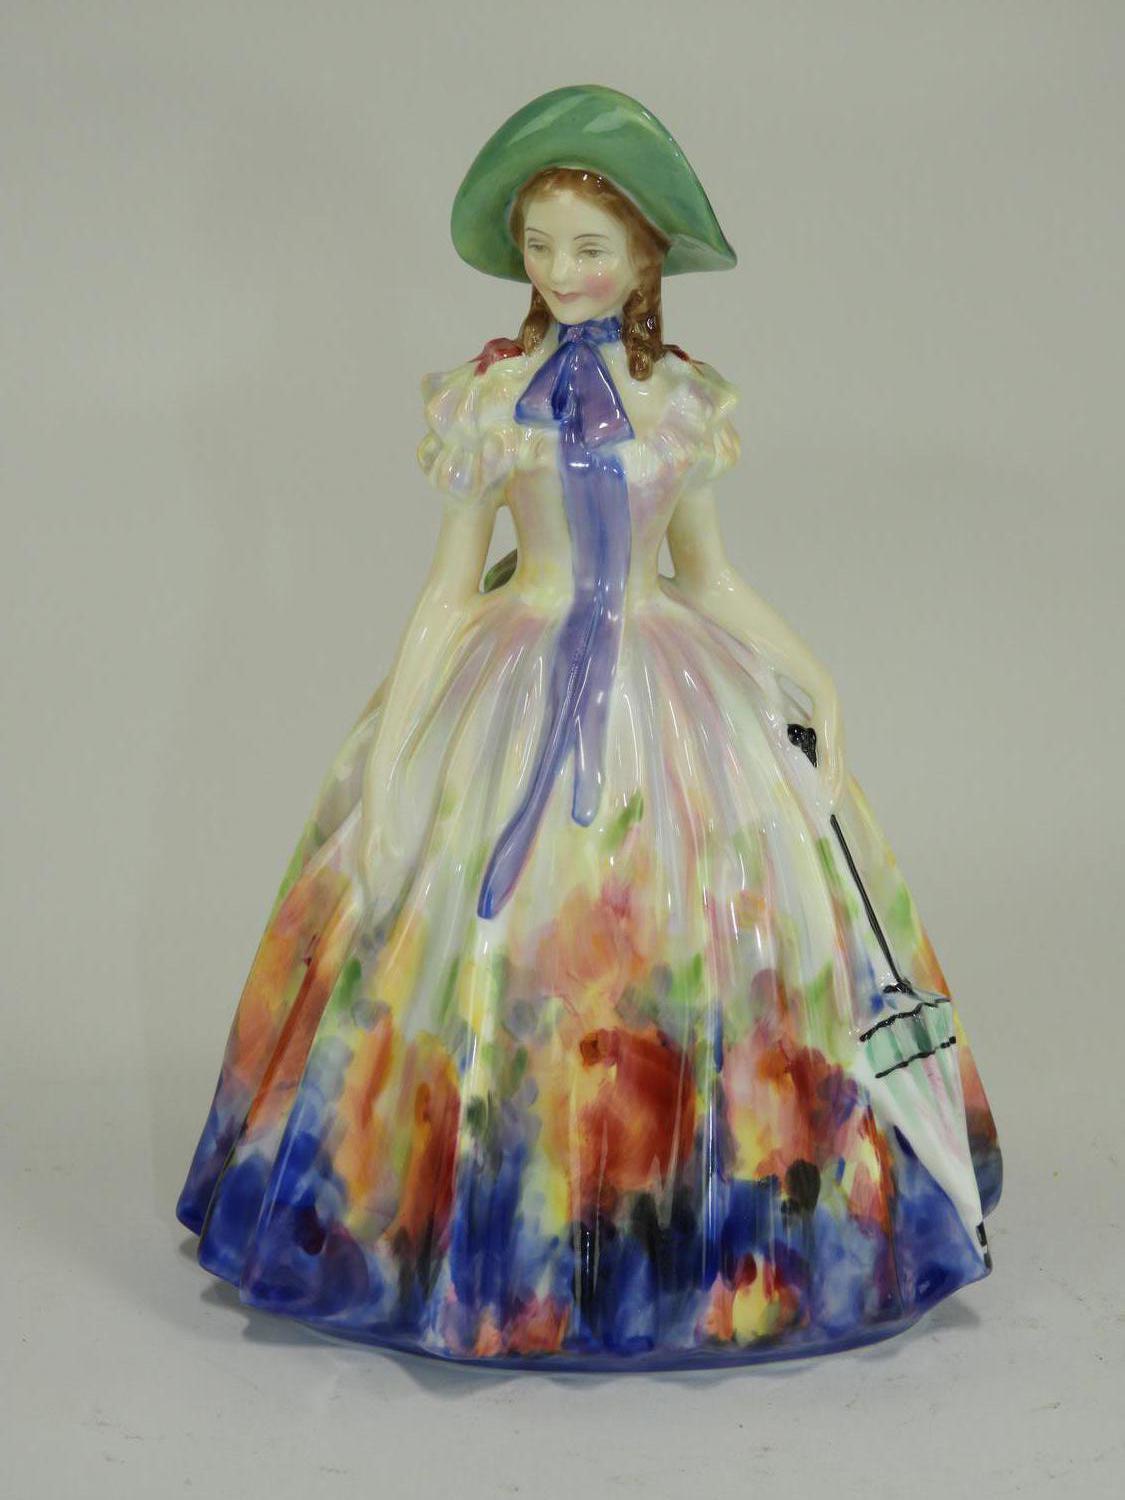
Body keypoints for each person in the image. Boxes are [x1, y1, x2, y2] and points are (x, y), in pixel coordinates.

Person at [177, 85, 1001, 1368]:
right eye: (542, 243)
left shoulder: (679, 403)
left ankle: (685, 1240)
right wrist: (391, 767)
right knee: (490, 953)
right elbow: (449, 593)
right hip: (513, 688)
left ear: (646, 258)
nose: (562, 271)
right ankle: (483, 1236)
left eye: (591, 246)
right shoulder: (489, 399)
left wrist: (812, 677)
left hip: (666, 696)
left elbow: (708, 578)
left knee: (701, 939)